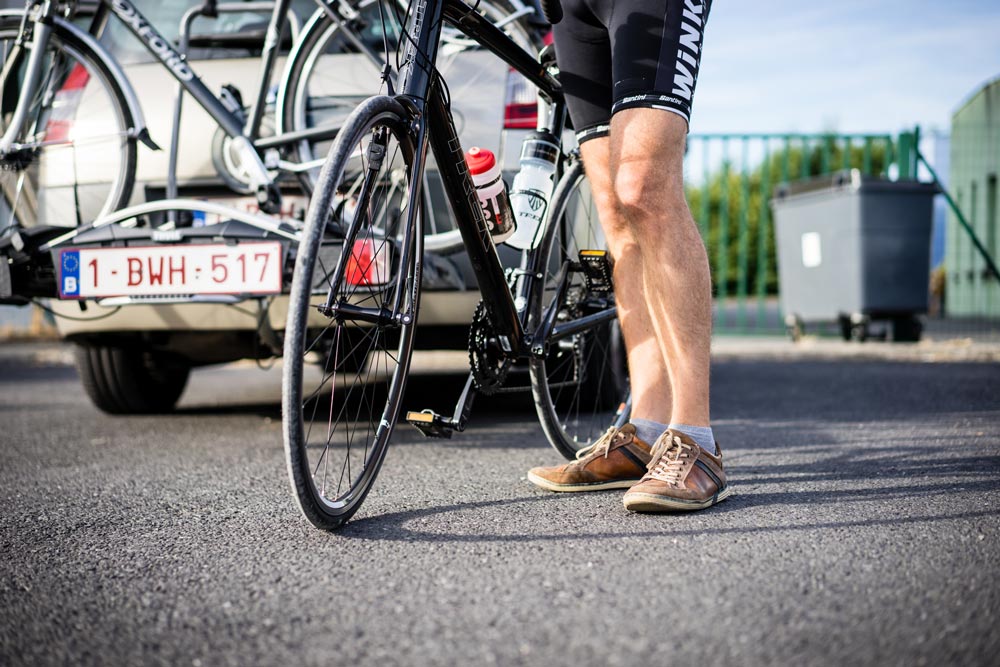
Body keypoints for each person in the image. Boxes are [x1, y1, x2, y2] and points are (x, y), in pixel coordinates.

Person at [527, 0, 731, 512]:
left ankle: (696, 439)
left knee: (644, 187)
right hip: (570, 11)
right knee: (613, 209)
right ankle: (645, 431)